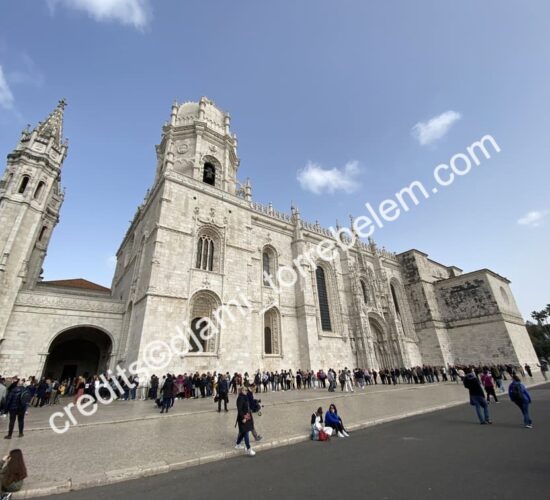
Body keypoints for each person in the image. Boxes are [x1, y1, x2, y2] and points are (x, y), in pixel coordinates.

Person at [234, 387, 255, 456]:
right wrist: (243, 418)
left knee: (243, 432)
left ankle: (237, 444)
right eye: (245, 390)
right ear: (241, 391)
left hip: (247, 416)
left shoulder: (245, 397)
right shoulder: (240, 398)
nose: (246, 391)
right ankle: (249, 448)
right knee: (246, 432)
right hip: (242, 418)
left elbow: (248, 407)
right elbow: (239, 410)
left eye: (246, 390)